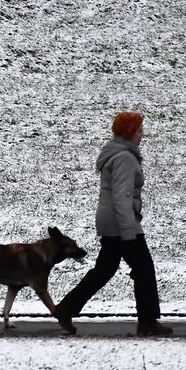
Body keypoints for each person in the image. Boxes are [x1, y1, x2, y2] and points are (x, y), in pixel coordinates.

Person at [55, 112, 173, 336]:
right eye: (139, 131)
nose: (143, 134)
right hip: (122, 222)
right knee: (144, 268)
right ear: (129, 133)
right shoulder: (124, 158)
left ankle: (66, 308)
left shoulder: (117, 153)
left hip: (112, 221)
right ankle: (147, 322)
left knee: (105, 269)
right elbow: (122, 195)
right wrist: (129, 229)